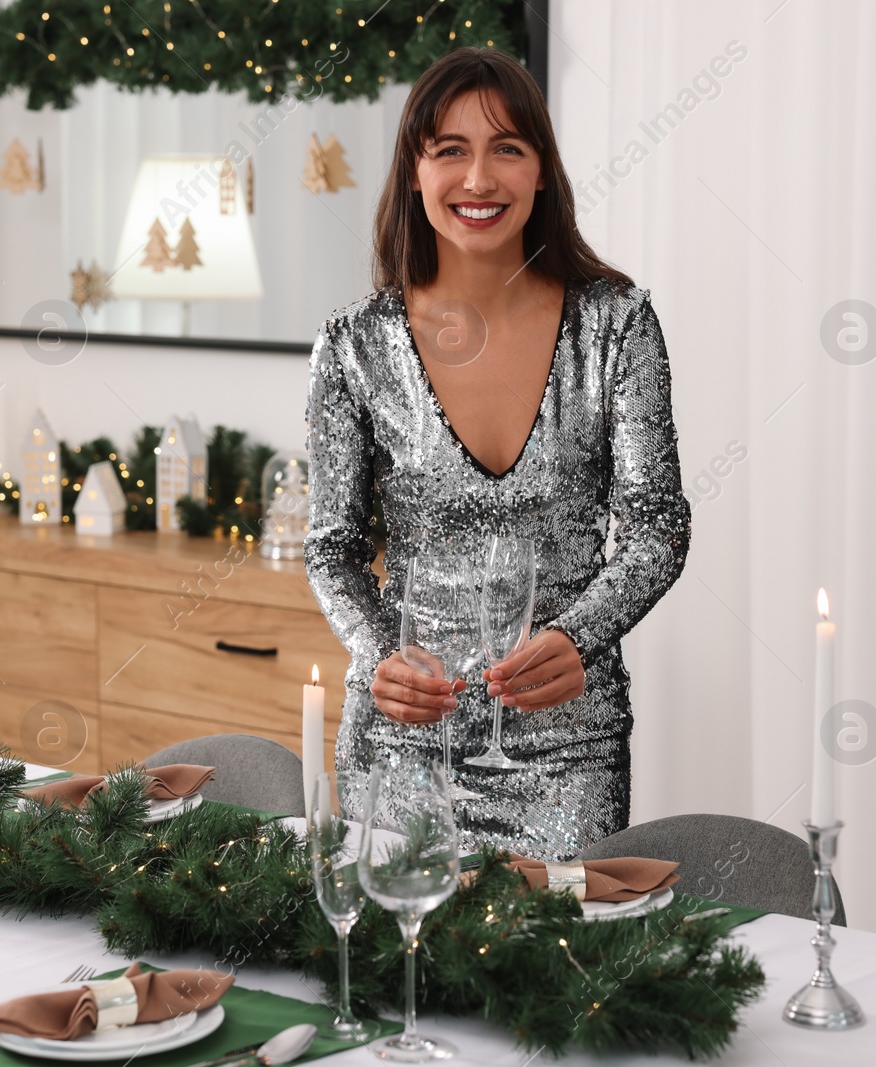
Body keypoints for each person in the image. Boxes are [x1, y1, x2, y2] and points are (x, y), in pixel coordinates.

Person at [304, 47, 690, 859]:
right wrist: (379, 654)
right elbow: (332, 550)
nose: (478, 179)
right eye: (451, 150)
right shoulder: (351, 347)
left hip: (566, 752)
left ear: (542, 170)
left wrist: (582, 634)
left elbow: (658, 529)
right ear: (415, 171)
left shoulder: (617, 325)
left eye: (506, 148)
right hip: (403, 745)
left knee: (553, 977)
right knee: (398, 975)